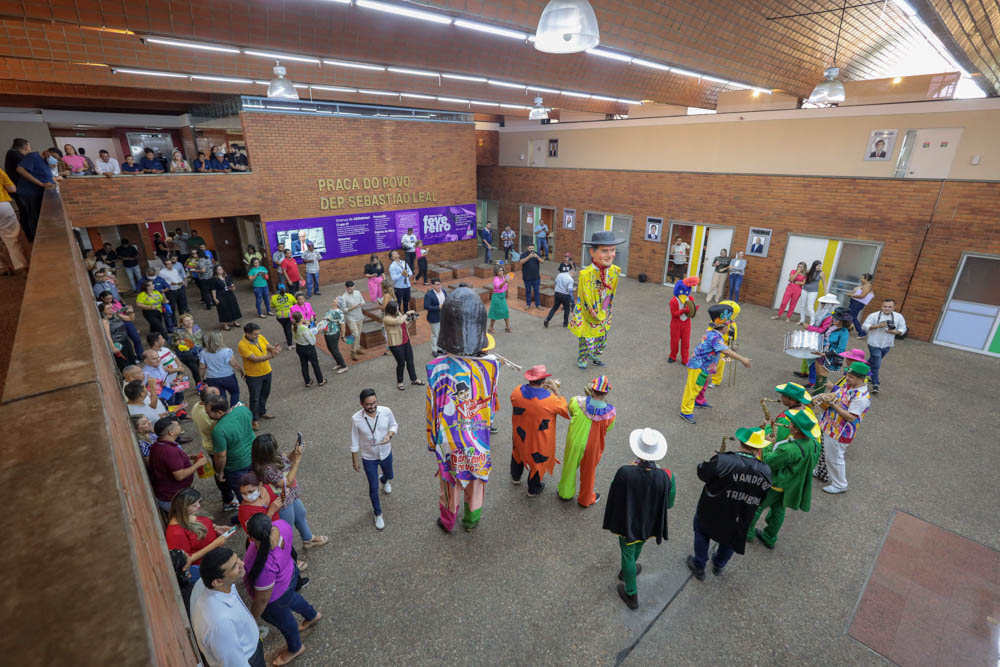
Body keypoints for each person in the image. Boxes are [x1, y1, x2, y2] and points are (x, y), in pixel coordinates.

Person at [425, 288, 500, 533]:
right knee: (476, 480)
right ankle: (471, 521)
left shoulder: (436, 368)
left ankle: (448, 522)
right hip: (478, 436)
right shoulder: (492, 366)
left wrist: (431, 441)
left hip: (449, 439)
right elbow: (492, 404)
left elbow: (432, 410)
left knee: (449, 483)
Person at [603, 428, 675, 610]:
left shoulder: (625, 472)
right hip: (649, 522)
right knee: (639, 544)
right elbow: (669, 503)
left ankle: (631, 593)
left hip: (628, 521)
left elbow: (614, 492)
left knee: (627, 553)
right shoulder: (667, 475)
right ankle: (629, 570)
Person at [687, 427, 771, 580]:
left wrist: (714, 460)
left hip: (712, 508)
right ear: (759, 449)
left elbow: (702, 473)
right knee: (732, 539)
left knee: (701, 532)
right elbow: (763, 495)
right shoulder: (766, 471)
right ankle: (719, 564)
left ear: (741, 442)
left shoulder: (723, 460)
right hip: (740, 514)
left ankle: (699, 566)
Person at [244, 514, 320, 665]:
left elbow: (262, 600)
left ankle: (296, 647)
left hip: (275, 598)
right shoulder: (282, 525)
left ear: (251, 538)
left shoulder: (264, 567)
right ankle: (312, 615)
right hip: (290, 576)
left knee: (286, 622)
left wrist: (252, 619)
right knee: (292, 598)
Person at [745, 409, 821, 549]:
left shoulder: (789, 449)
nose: (788, 424)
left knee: (756, 505)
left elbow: (768, 461)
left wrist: (768, 441)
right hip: (792, 484)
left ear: (796, 429)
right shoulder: (814, 444)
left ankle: (747, 533)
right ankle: (770, 537)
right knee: (778, 510)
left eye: (791, 422)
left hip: (776, 484)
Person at [190, 547, 267, 667]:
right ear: (217, 581)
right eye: (235, 566)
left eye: (237, 559)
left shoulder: (213, 585)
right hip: (249, 659)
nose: (242, 564)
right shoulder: (221, 624)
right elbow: (234, 664)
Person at [252, 433, 329, 549]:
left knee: (300, 513)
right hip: (281, 501)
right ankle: (288, 554)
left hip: (290, 495)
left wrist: (295, 452)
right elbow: (287, 482)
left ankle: (308, 539)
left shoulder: (273, 456)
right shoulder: (265, 469)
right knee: (287, 527)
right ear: (268, 452)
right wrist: (297, 461)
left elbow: (287, 457)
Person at [679, 304, 752, 425]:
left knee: (701, 384)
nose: (729, 328)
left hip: (705, 366)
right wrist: (743, 359)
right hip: (699, 367)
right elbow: (725, 351)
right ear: (723, 327)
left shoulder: (713, 334)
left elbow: (720, 348)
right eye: (728, 325)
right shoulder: (715, 338)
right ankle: (685, 411)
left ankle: (698, 401)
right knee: (692, 388)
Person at [509, 365, 569, 497]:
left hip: (520, 434)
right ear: (543, 381)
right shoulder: (552, 400)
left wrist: (542, 390)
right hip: (539, 439)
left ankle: (515, 477)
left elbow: (526, 400)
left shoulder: (517, 391)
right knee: (538, 460)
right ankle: (533, 488)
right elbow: (565, 410)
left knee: (517, 452)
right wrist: (555, 390)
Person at [813, 361, 871, 494]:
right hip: (829, 426)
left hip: (840, 433)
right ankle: (821, 473)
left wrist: (833, 405)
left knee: (834, 459)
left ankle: (840, 484)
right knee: (824, 453)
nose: (847, 378)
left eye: (851, 376)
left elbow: (851, 417)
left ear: (861, 379)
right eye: (847, 375)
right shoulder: (849, 385)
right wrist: (830, 393)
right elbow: (840, 394)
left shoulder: (861, 398)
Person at [558, 376, 616, 507]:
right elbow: (608, 428)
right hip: (593, 447)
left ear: (592, 388)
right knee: (589, 473)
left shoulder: (576, 401)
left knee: (569, 467)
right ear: (606, 393)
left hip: (575, 441)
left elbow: (570, 411)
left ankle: (565, 493)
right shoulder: (611, 412)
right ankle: (585, 499)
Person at [569, 231, 624, 369]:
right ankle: (583, 359)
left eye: (612, 250)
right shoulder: (585, 275)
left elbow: (610, 294)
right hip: (589, 314)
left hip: (604, 312)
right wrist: (596, 314)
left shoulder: (614, 271)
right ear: (592, 252)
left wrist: (605, 310)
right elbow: (586, 299)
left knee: (602, 339)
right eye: (604, 251)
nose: (610, 255)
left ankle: (595, 355)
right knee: (586, 339)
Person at [351, 389, 398, 530]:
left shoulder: (386, 411)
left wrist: (389, 435)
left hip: (385, 452)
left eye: (374, 403)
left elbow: (394, 425)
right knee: (373, 487)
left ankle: (384, 479)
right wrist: (355, 460)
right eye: (368, 404)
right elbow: (354, 440)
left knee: (390, 475)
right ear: (361, 404)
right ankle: (378, 514)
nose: (372, 406)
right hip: (368, 458)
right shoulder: (356, 419)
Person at [166, 488, 236, 574]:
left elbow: (199, 525)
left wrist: (216, 528)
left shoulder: (188, 513)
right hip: (206, 565)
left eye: (199, 502)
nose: (199, 506)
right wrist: (215, 544)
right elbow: (185, 561)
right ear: (183, 507)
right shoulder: (176, 534)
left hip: (213, 554)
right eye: (194, 505)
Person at [192, 385, 239, 511]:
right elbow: (222, 427)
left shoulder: (197, 406)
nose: (220, 399)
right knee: (222, 472)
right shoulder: (208, 416)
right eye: (217, 397)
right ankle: (228, 500)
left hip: (209, 444)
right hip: (215, 447)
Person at [148, 416, 209, 512]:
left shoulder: (158, 444)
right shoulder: (169, 451)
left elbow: (167, 462)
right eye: (177, 425)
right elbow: (180, 476)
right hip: (173, 498)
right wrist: (198, 464)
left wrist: (186, 457)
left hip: (167, 493)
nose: (180, 426)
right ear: (171, 432)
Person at [207, 393, 258, 505]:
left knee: (244, 496)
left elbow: (221, 456)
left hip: (236, 467)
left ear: (219, 412)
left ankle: (248, 514)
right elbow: (244, 408)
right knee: (257, 489)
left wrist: (219, 472)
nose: (207, 415)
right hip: (254, 456)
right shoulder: (243, 410)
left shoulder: (219, 430)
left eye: (208, 412)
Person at [237, 322, 280, 428]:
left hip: (266, 371)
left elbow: (267, 346)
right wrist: (271, 356)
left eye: (258, 333)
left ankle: (262, 411)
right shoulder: (242, 345)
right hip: (253, 375)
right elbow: (255, 359)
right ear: (248, 334)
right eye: (255, 334)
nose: (258, 335)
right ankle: (254, 419)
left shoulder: (260, 337)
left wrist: (273, 349)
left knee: (265, 393)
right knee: (255, 398)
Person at [12, 138, 55, 241]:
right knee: (32, 216)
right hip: (29, 193)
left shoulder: (44, 162)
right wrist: (41, 184)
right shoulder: (33, 156)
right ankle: (34, 239)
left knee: (37, 216)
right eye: (54, 157)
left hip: (37, 193)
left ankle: (40, 237)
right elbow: (20, 169)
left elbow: (45, 176)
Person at [861, 298, 906, 395]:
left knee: (872, 361)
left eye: (890, 307)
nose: (887, 308)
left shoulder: (898, 317)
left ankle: (860, 373)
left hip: (887, 344)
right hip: (874, 343)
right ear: (881, 306)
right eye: (885, 306)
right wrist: (878, 326)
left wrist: (895, 332)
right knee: (876, 363)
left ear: (894, 307)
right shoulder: (873, 315)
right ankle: (875, 383)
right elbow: (864, 326)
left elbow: (903, 329)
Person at [807, 307, 852, 392]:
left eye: (837, 319)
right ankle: (816, 393)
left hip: (829, 357)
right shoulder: (832, 326)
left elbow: (841, 349)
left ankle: (818, 395)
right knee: (818, 374)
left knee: (822, 376)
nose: (834, 319)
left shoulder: (844, 332)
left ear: (842, 321)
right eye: (834, 317)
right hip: (820, 352)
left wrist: (825, 354)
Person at [383, 301, 423, 390]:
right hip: (396, 344)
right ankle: (400, 382)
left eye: (398, 308)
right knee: (401, 363)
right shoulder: (386, 318)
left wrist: (412, 319)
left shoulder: (399, 314)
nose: (398, 310)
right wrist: (407, 313)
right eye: (396, 309)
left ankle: (414, 379)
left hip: (406, 341)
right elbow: (399, 321)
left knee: (410, 361)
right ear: (391, 310)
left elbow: (404, 324)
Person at [199, 332, 243, 406]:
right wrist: (241, 371)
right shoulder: (226, 351)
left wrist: (202, 378)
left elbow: (202, 367)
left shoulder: (203, 353)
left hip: (212, 378)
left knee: (220, 398)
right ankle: (234, 409)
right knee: (235, 393)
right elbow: (234, 364)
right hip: (228, 377)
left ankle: (224, 410)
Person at [0, 168, 27, 275]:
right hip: (2, 205)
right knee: (12, 238)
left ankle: (2, 268)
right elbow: (12, 189)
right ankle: (22, 267)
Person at [668, 277, 700, 365]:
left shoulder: (690, 299)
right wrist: (683, 310)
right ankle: (672, 356)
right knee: (674, 341)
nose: (684, 294)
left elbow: (691, 312)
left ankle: (685, 359)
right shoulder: (673, 301)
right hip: (676, 324)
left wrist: (694, 309)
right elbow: (674, 314)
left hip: (686, 323)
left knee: (686, 342)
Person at [291, 311, 325, 387]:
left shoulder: (293, 326)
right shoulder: (304, 329)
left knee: (304, 365)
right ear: (301, 319)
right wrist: (315, 332)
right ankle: (320, 380)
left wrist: (307, 325)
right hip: (308, 348)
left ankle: (307, 381)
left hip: (299, 347)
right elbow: (312, 341)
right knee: (315, 364)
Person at [320, 300, 349, 374]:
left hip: (333, 333)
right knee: (330, 349)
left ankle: (344, 366)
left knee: (335, 350)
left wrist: (343, 335)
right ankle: (339, 363)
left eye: (336, 299)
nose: (334, 300)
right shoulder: (330, 310)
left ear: (338, 303)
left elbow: (342, 324)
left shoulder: (339, 312)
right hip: (327, 332)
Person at [210, 265, 242, 331]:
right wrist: (214, 298)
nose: (221, 270)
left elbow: (233, 285)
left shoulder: (227, 277)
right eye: (219, 269)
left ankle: (235, 321)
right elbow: (213, 289)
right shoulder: (214, 279)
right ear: (215, 271)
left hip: (230, 294)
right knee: (223, 309)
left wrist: (233, 287)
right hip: (221, 295)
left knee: (233, 307)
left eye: (221, 269)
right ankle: (225, 324)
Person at [487, 263, 513, 334]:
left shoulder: (504, 277)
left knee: (505, 311)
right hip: (496, 298)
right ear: (496, 272)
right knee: (495, 313)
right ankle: (490, 328)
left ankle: (507, 327)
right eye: (499, 270)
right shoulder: (495, 279)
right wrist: (505, 282)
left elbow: (505, 286)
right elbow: (499, 287)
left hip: (502, 297)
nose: (501, 272)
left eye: (502, 270)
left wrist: (508, 282)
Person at [423, 278, 447, 355]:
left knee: (441, 333)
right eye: (437, 284)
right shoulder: (429, 295)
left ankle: (440, 348)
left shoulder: (444, 291)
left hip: (443, 316)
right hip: (434, 317)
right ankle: (434, 350)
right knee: (435, 334)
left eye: (440, 284)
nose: (439, 286)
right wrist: (438, 307)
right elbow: (426, 306)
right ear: (432, 285)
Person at [798, 260, 826, 325]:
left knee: (810, 307)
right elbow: (805, 273)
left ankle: (812, 322)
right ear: (814, 266)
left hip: (813, 291)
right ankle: (802, 320)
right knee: (802, 306)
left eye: (820, 266)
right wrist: (812, 268)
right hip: (805, 290)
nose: (819, 267)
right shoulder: (810, 271)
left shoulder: (821, 273)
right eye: (818, 266)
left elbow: (824, 283)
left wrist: (825, 292)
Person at [849, 273, 875, 337]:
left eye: (862, 278)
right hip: (854, 303)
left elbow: (862, 296)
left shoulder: (868, 286)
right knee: (849, 315)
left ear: (866, 279)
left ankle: (861, 332)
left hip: (857, 304)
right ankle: (848, 328)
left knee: (853, 317)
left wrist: (852, 295)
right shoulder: (864, 285)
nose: (860, 279)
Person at [518, 245, 542, 310]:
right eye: (530, 248)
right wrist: (529, 257)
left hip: (536, 277)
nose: (531, 249)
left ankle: (538, 304)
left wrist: (537, 257)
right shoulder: (524, 254)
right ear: (527, 248)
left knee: (536, 291)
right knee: (528, 291)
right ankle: (528, 304)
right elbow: (521, 262)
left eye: (532, 248)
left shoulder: (537, 254)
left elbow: (542, 261)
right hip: (527, 277)